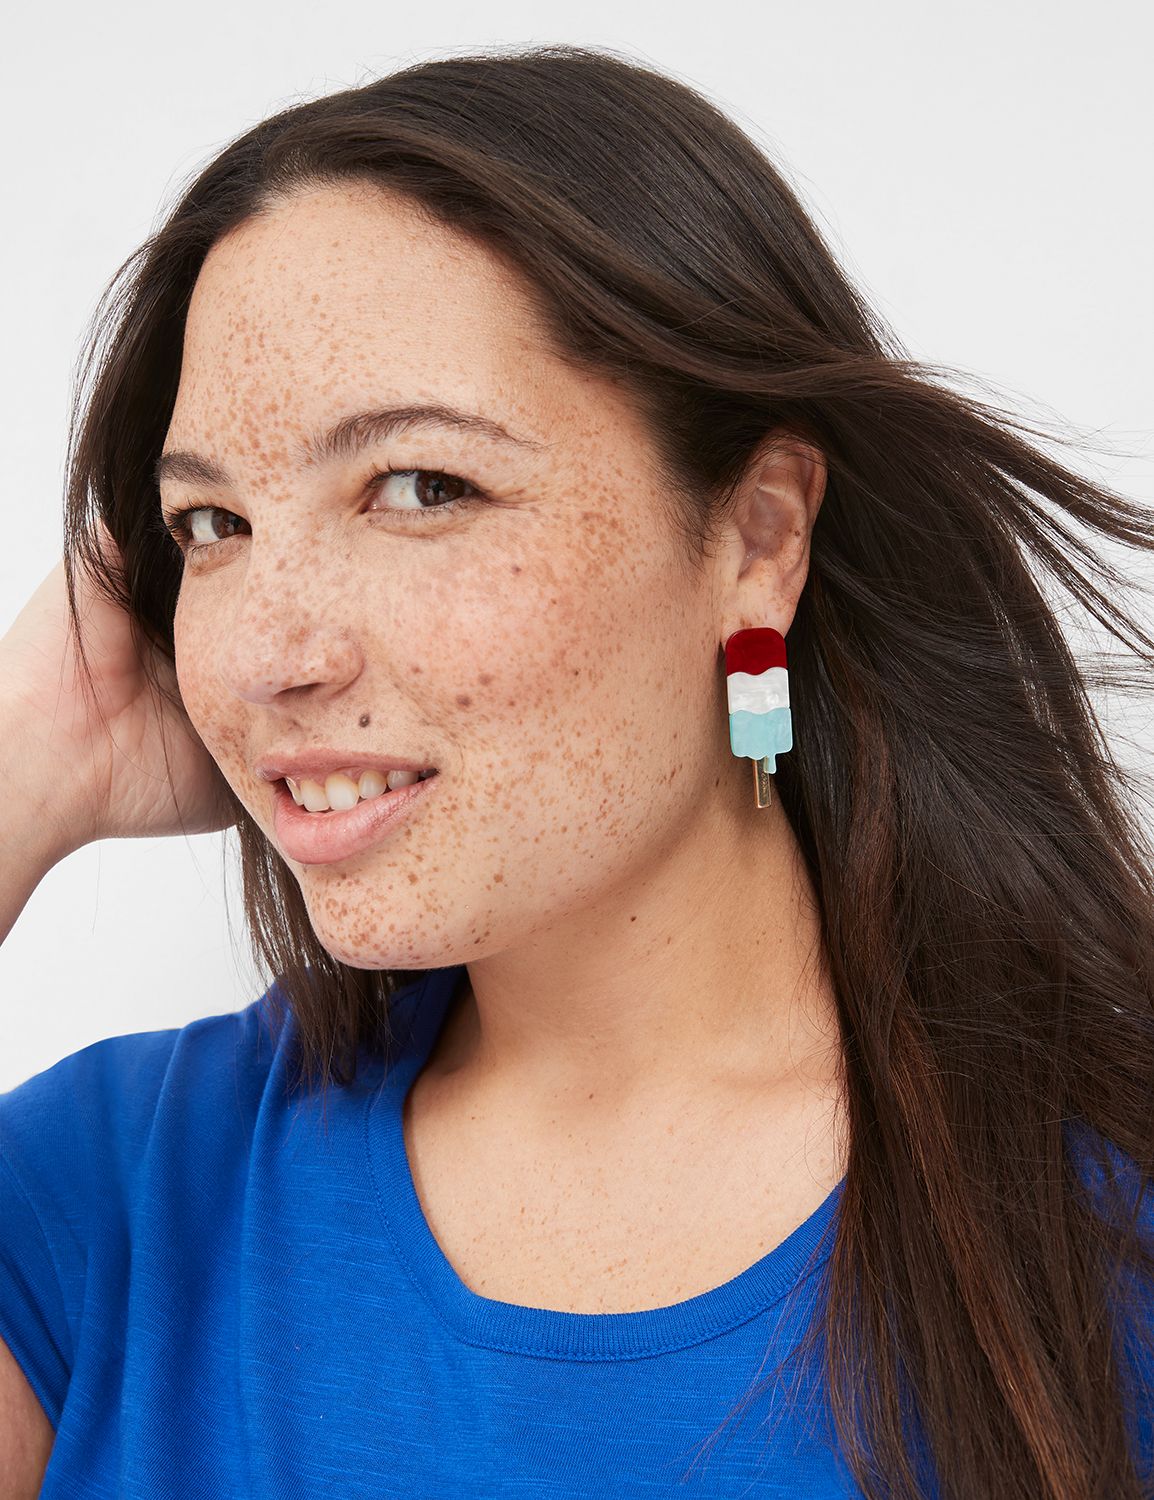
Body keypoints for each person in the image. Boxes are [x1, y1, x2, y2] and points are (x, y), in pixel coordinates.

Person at [2, 42, 1153, 1500]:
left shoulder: (1103, 1211)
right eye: (212, 524)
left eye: (421, 487)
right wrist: (20, 770)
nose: (267, 656)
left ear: (755, 540)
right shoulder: (107, 1194)